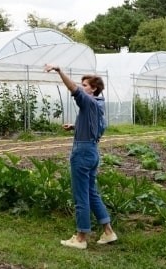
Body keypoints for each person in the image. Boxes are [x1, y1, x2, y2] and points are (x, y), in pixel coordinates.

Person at [44, 63, 117, 249]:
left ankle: (81, 238)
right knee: (92, 193)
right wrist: (75, 127)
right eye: (82, 84)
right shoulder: (99, 106)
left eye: (85, 85)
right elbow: (97, 128)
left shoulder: (88, 101)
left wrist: (59, 70)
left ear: (93, 89)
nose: (81, 87)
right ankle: (108, 232)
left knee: (81, 196)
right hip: (92, 151)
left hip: (82, 153)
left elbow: (73, 89)